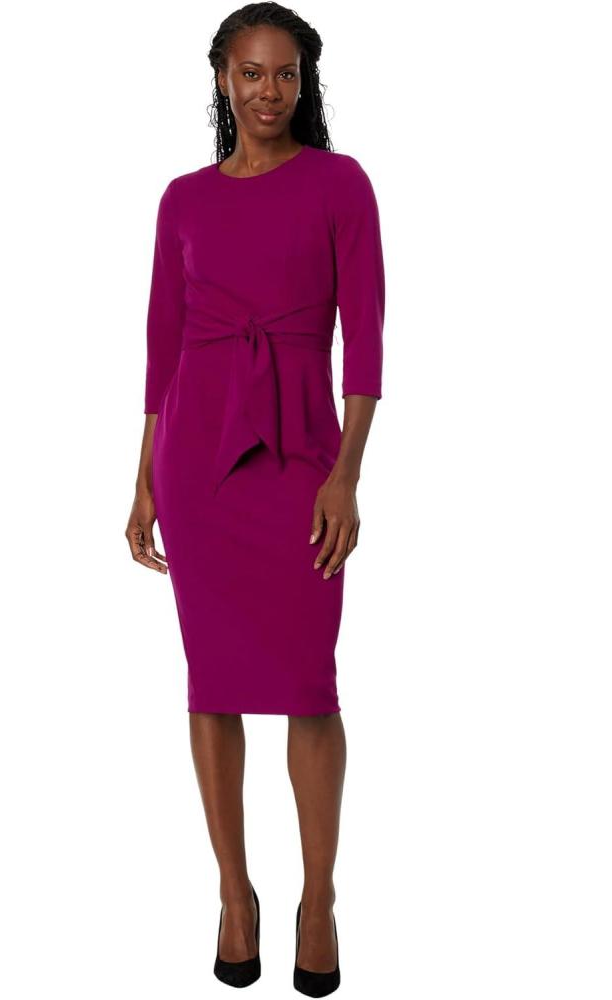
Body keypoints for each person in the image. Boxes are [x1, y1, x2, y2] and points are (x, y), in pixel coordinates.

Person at [126, 5, 384, 994]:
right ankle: (235, 894)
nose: (268, 91)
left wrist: (346, 472)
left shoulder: (340, 183)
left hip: (302, 461)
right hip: (198, 464)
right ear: (221, 80)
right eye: (250, 72)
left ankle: (318, 898)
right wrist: (144, 475)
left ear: (303, 84)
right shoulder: (183, 200)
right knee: (213, 683)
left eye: (284, 74)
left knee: (309, 686)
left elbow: (365, 340)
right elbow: (161, 347)